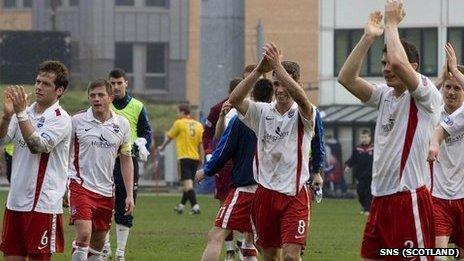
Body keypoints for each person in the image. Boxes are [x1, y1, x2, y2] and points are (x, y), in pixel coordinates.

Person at [337, 3, 442, 259]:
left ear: (413, 67)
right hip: (380, 199)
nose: (386, 68)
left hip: (408, 199)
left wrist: (392, 24)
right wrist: (368, 37)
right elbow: (346, 79)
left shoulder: (425, 93)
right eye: (382, 63)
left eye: (389, 63)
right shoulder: (384, 95)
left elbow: (398, 60)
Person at [229, 42, 322, 261]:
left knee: (291, 255)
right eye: (276, 84)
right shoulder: (262, 112)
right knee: (271, 256)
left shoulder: (305, 113)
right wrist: (259, 71)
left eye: (284, 84)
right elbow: (234, 99)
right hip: (265, 194)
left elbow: (303, 101)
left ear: (296, 83)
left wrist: (277, 66)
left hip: (295, 194)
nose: (280, 90)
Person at [0, 61, 72, 260]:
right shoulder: (25, 112)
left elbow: (38, 146)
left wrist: (20, 113)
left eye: (46, 84)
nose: (39, 87)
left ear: (59, 90)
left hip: (42, 205)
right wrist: (7, 118)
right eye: (38, 81)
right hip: (15, 201)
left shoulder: (61, 118)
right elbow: (2, 140)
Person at [196, 78, 274, 261]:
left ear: (252, 95)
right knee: (263, 245)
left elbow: (223, 149)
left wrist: (206, 170)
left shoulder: (241, 120)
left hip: (246, 189)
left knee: (216, 235)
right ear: (272, 97)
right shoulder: (279, 121)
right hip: (270, 190)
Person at [68, 79, 135, 261]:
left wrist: (129, 194)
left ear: (110, 97)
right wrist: (61, 187)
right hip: (80, 185)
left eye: (101, 95)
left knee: (98, 244)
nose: (96, 99)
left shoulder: (122, 124)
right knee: (84, 235)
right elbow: (62, 155)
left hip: (106, 191)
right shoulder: (76, 121)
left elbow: (126, 160)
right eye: (92, 95)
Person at [103, 68, 152, 260]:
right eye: (112, 83)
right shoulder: (104, 104)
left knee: (126, 205)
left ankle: (120, 252)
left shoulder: (137, 106)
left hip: (128, 161)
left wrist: (143, 143)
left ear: (126, 83)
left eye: (119, 83)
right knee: (104, 204)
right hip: (105, 161)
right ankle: (105, 247)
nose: (115, 87)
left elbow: (146, 132)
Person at [202, 75, 247, 259]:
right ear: (230, 93)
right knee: (224, 205)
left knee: (246, 215)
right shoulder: (219, 109)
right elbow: (209, 135)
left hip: (246, 169)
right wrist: (209, 153)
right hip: (225, 165)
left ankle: (243, 245)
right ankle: (230, 250)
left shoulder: (255, 109)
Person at [427, 43, 464, 260]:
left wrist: (455, 70)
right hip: (437, 196)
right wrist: (442, 78)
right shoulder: (433, 113)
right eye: (447, 87)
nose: (450, 92)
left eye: (457, 87)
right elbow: (417, 96)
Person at [158, 104, 204, 214]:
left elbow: (169, 137)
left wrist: (162, 147)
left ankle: (195, 206)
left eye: (178, 112)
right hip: (195, 158)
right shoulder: (198, 125)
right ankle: (181, 206)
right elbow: (201, 144)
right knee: (188, 184)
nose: (177, 114)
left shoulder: (179, 123)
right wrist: (201, 158)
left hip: (185, 158)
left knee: (187, 184)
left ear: (183, 112)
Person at [344, 130, 373, 215]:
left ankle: (368, 209)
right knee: (360, 192)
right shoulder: (357, 149)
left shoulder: (374, 148)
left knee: (369, 193)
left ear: (369, 138)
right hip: (360, 176)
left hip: (371, 176)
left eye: (365, 137)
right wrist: (348, 166)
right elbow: (352, 159)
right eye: (362, 137)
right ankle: (364, 206)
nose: (364, 139)